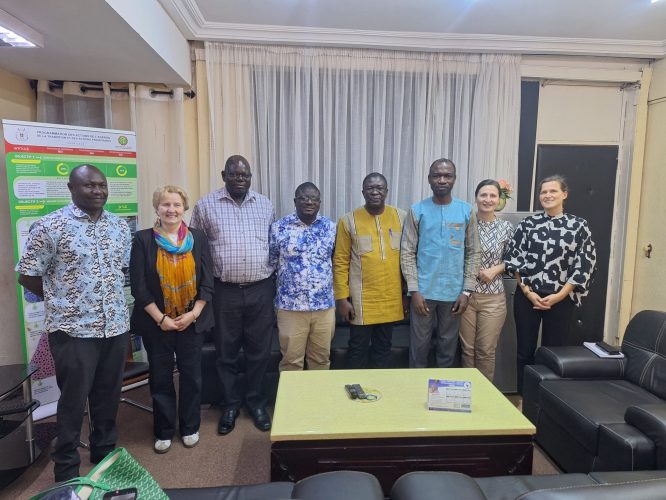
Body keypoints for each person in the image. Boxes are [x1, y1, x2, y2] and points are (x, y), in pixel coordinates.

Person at [16, 164, 132, 482]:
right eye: (89, 185)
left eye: (102, 185)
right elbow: (27, 274)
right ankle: (66, 467)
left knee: (108, 397)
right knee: (73, 401)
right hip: (73, 330)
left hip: (115, 327)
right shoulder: (50, 225)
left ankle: (104, 455)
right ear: (71, 188)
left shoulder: (120, 227)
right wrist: (62, 299)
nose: (97, 191)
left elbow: (119, 271)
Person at [189, 155, 276, 435]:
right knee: (225, 352)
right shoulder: (205, 205)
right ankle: (230, 405)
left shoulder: (265, 204)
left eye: (245, 175)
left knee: (259, 352)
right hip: (223, 291)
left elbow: (272, 245)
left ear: (251, 177)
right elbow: (196, 249)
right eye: (235, 174)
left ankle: (256, 403)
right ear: (223, 175)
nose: (240, 179)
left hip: (261, 289)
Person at [129, 186, 214, 454]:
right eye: (165, 204)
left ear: (184, 208)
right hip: (158, 323)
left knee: (192, 377)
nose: (171, 210)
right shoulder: (143, 240)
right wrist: (160, 318)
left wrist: (194, 313)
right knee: (160, 377)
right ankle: (164, 430)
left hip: (191, 320)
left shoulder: (198, 238)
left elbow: (208, 281)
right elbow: (138, 287)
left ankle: (190, 427)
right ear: (157, 208)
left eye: (177, 205)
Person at [505, 175, 596, 393]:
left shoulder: (578, 226)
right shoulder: (528, 224)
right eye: (543, 192)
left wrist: (560, 295)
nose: (547, 195)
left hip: (561, 299)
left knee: (554, 353)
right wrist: (528, 292)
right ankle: (524, 399)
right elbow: (515, 260)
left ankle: (549, 399)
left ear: (564, 194)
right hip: (528, 296)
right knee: (524, 351)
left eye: (553, 191)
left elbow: (585, 264)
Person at [401, 158, 481, 368]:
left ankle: (442, 388)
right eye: (437, 175)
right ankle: (416, 385)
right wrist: (414, 290)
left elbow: (474, 252)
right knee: (419, 347)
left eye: (447, 176)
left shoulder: (466, 211)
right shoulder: (417, 210)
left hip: (454, 293)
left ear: (454, 179)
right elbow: (407, 252)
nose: (442, 180)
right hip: (423, 292)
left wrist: (466, 291)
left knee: (448, 347)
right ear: (429, 179)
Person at [333, 173, 406, 369]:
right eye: (370, 188)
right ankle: (355, 387)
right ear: (363, 192)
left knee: (383, 348)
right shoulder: (348, 220)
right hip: (361, 301)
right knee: (358, 349)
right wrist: (342, 299)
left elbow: (408, 258)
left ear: (386, 191)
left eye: (379, 188)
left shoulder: (401, 217)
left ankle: (378, 386)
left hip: (391, 299)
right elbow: (340, 262)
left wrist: (407, 293)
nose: (375, 192)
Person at [269, 183, 336, 371]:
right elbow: (272, 262)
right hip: (291, 308)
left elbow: (335, 261)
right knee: (291, 362)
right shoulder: (279, 228)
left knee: (321, 361)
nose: (309, 202)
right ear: (295, 201)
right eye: (304, 198)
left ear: (320, 202)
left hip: (323, 307)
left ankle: (317, 392)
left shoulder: (331, 228)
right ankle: (292, 393)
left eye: (314, 198)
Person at [459, 180, 514, 381]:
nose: (488, 199)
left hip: (493, 299)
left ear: (499, 200)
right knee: (467, 350)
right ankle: (467, 394)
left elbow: (515, 258)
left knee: (486, 351)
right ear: (476, 198)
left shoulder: (506, 227)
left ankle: (484, 395)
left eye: (492, 196)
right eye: (483, 195)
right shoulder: (465, 224)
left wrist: (495, 269)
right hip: (465, 297)